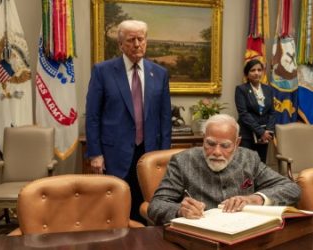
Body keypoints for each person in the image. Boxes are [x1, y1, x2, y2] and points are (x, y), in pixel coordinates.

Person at [85, 20, 172, 223]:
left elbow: (165, 118)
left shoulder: (159, 74)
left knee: (147, 205)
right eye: (131, 40)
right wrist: (95, 153)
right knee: (115, 208)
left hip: (149, 153)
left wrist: (165, 155)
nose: (137, 44)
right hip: (114, 153)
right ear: (120, 44)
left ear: (146, 41)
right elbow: (93, 115)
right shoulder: (103, 71)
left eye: (141, 39)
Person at [148, 114, 300, 225]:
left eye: (225, 145)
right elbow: (156, 205)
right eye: (210, 143)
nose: (217, 152)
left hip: (244, 234)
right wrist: (180, 210)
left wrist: (255, 198)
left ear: (237, 142)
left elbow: (292, 188)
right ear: (203, 138)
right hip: (201, 238)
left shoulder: (249, 158)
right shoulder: (182, 161)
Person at [235, 59, 276, 163]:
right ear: (247, 74)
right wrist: (261, 132)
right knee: (246, 165)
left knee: (261, 165)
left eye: (259, 70)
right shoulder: (241, 89)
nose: (256, 73)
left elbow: (272, 112)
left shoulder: (268, 90)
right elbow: (243, 114)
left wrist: (268, 132)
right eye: (252, 70)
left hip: (264, 137)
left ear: (263, 72)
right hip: (247, 136)